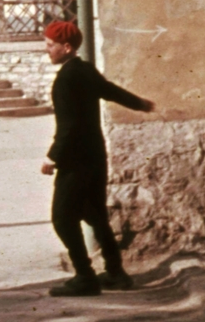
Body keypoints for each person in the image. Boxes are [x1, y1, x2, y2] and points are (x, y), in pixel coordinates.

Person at [39, 20, 154, 297]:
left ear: (66, 48)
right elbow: (111, 91)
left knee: (62, 218)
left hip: (76, 160)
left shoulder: (66, 78)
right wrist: (141, 104)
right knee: (94, 215)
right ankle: (116, 273)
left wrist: (52, 157)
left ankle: (85, 276)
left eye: (51, 46)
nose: (47, 51)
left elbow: (69, 125)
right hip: (94, 156)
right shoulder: (84, 70)